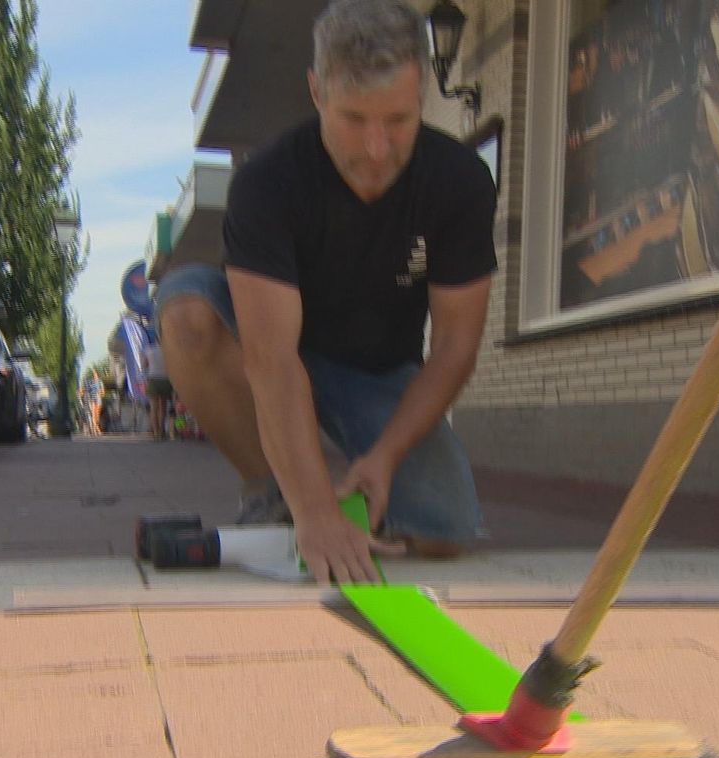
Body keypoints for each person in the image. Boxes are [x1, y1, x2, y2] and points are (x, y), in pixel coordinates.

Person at [154, 0, 497, 585]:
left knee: (445, 536)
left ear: (421, 99)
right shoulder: (267, 183)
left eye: (398, 120)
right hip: (281, 348)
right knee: (187, 307)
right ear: (316, 93)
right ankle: (272, 494)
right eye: (354, 119)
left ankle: (359, 501)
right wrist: (314, 512)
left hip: (379, 370)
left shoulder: (460, 183)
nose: (376, 149)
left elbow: (455, 350)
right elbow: (270, 359)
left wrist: (385, 456)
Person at [142, 340, 173, 439]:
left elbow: (144, 365)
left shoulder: (149, 350)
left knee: (153, 408)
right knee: (163, 407)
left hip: (153, 379)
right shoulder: (168, 350)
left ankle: (155, 432)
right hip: (165, 379)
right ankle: (162, 431)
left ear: (155, 340)